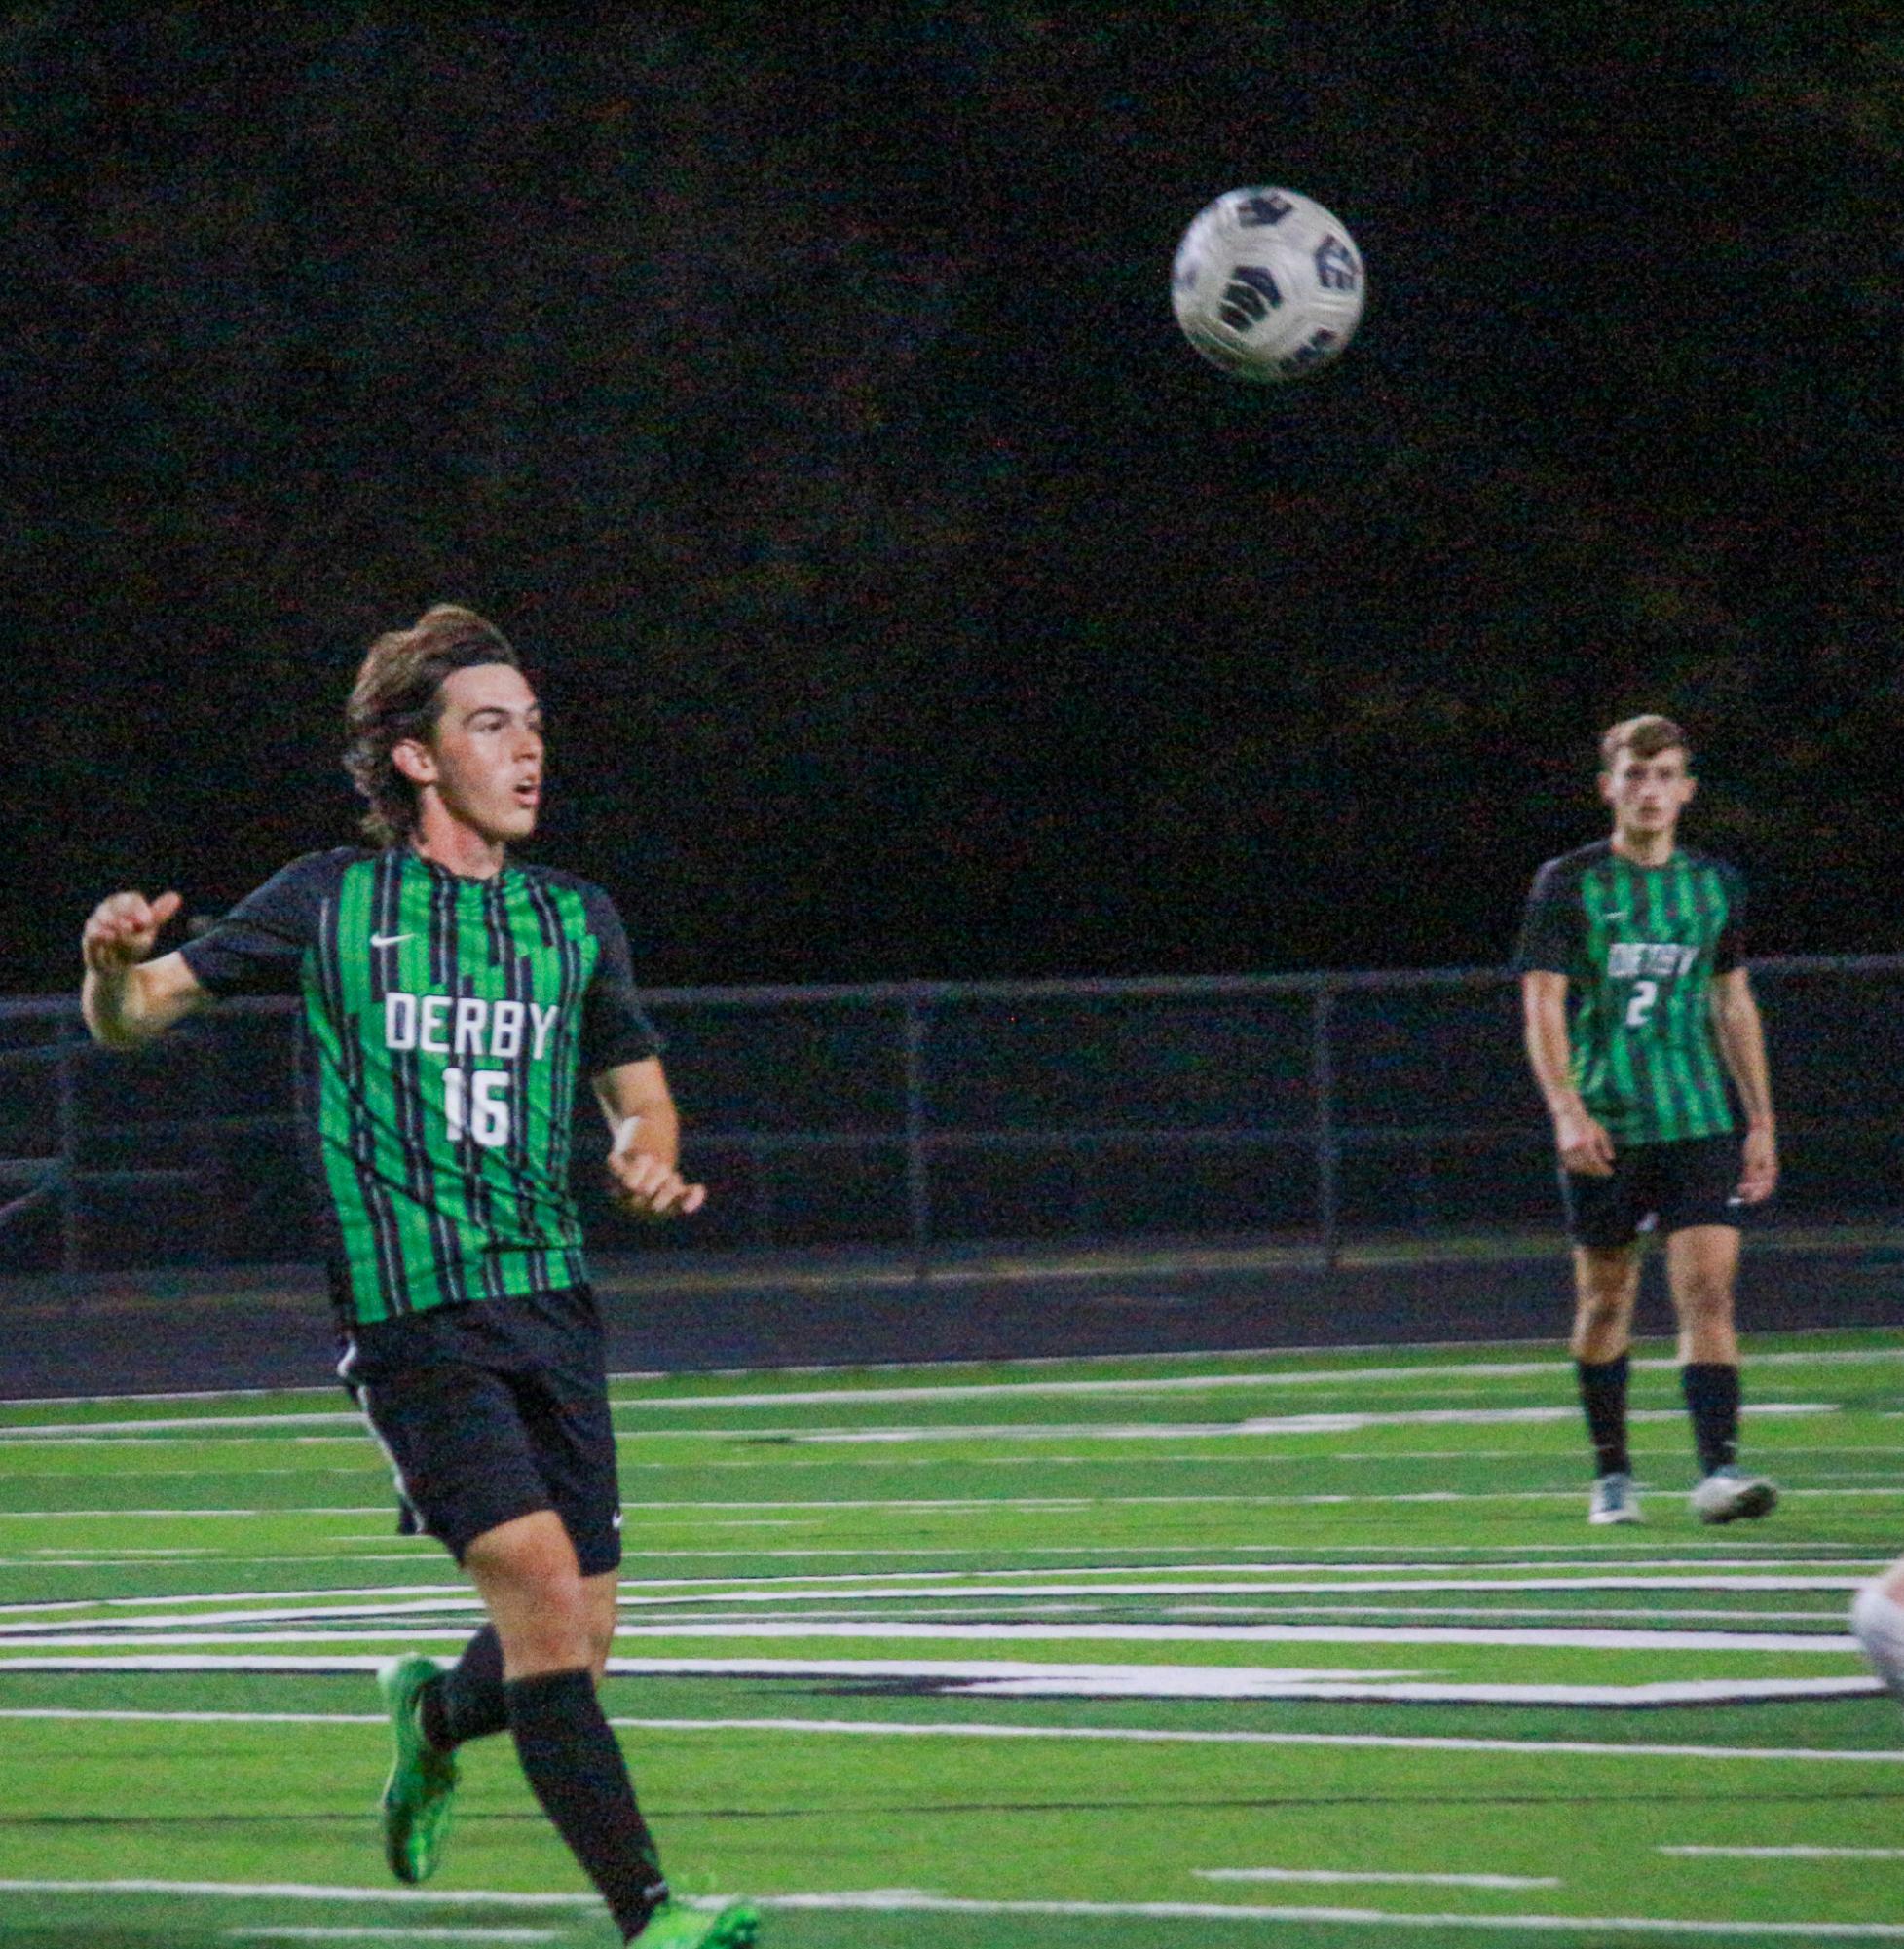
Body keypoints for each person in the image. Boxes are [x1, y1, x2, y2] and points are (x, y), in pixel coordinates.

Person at [79, 606, 758, 1949]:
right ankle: (652, 1914)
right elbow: (139, 1014)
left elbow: (641, 1095)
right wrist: (107, 969)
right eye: (490, 724)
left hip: (550, 1304)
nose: (527, 751)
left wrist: (643, 1159)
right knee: (546, 1612)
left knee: (575, 1633)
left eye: (534, 724)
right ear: (414, 759)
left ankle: (435, 1716)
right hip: (411, 1315)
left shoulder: (574, 922)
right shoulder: (331, 899)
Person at [1516, 714, 1780, 1527]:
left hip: (1696, 1117)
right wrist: (1565, 1108)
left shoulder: (1713, 884)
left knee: (1708, 1291)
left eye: (1665, 775)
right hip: (1606, 1122)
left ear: (1686, 789)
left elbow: (1730, 997)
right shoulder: (1570, 882)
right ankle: (1612, 1473)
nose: (1650, 790)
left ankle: (1717, 1473)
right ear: (1609, 787)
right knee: (1605, 1297)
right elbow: (1542, 1001)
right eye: (1635, 774)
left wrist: (1760, 1119)